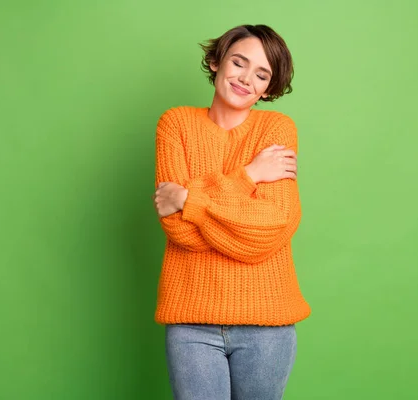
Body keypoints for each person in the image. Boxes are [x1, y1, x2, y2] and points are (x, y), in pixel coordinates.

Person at [152, 24, 311, 400]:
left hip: (267, 324)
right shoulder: (175, 124)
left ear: (269, 88)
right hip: (191, 322)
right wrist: (250, 176)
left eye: (261, 74)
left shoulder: (277, 129)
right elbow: (180, 232)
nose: (245, 78)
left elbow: (269, 231)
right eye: (239, 62)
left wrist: (190, 201)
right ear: (215, 62)